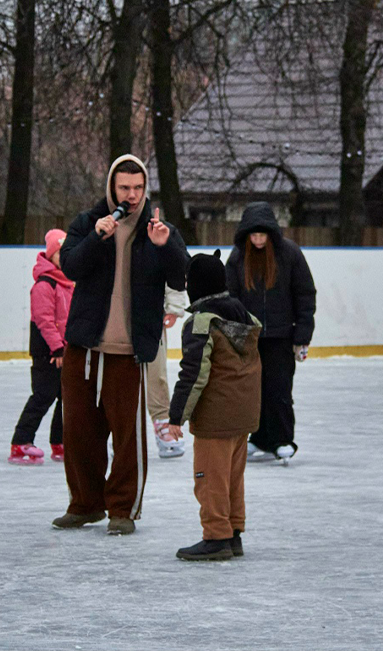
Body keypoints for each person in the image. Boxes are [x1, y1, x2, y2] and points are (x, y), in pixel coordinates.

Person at [51, 154, 189, 536]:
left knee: (128, 438)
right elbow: (70, 267)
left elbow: (182, 275)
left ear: (146, 189)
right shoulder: (89, 223)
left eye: (137, 188)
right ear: (112, 187)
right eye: (124, 187)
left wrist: (165, 247)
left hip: (129, 353)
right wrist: (97, 237)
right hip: (84, 346)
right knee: (78, 432)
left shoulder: (159, 229)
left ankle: (122, 510)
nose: (130, 195)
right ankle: (84, 504)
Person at [168, 250, 262, 560]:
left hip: (216, 416)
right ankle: (233, 533)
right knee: (232, 477)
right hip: (243, 414)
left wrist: (176, 417)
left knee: (209, 478)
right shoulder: (244, 316)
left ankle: (216, 536)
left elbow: (194, 373)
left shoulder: (202, 322)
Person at [225, 202, 316, 463]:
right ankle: (258, 438)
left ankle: (283, 439)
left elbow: (305, 294)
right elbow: (229, 298)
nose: (257, 240)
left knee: (279, 390)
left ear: (271, 233)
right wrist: (233, 336)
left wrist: (302, 337)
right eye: (253, 235)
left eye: (262, 235)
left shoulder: (289, 254)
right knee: (252, 391)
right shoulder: (238, 257)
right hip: (249, 337)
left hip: (281, 335)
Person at [9, 229, 74, 465]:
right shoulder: (44, 285)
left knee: (67, 398)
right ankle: (21, 441)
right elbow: (44, 320)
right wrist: (56, 348)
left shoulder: (69, 283)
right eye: (60, 253)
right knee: (43, 396)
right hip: (47, 351)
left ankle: (61, 442)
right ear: (51, 255)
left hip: (67, 351)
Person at [146, 285, 190, 459]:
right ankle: (122, 430)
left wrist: (174, 307)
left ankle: (162, 421)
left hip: (150, 314)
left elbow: (175, 266)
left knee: (156, 374)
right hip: (116, 314)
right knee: (120, 375)